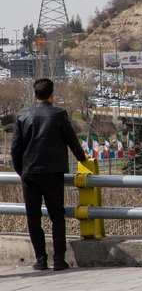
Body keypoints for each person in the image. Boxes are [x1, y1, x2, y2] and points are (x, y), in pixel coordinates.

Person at [11, 78, 88, 271]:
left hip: (30, 173)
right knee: (57, 217)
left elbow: (15, 148)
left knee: (33, 217)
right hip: (53, 173)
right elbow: (72, 141)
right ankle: (59, 259)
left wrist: (21, 170)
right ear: (52, 94)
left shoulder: (23, 116)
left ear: (35, 95)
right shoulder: (59, 115)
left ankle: (41, 259)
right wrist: (83, 160)